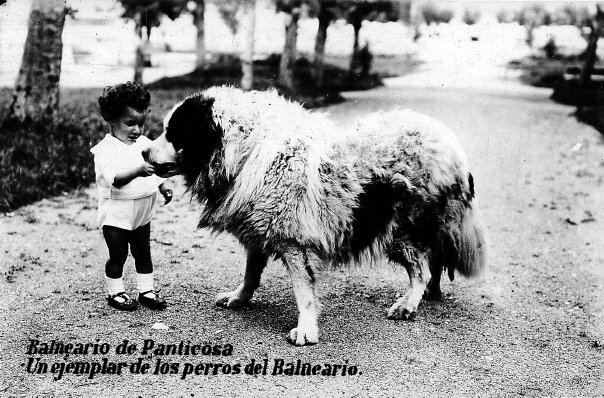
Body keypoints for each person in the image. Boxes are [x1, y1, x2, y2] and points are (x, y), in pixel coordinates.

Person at [91, 81, 172, 311]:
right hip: (117, 213)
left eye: (141, 123)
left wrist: (162, 185)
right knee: (118, 254)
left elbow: (155, 171)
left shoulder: (144, 144)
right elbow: (115, 179)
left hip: (142, 212)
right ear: (112, 119)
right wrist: (137, 171)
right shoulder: (105, 150)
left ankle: (146, 289)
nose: (137, 130)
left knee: (142, 251)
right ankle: (115, 292)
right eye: (130, 123)